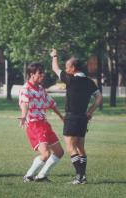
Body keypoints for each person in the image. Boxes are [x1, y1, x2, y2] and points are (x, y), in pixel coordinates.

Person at [50, 49, 103, 184]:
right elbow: (99, 97)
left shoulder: (70, 79)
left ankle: (79, 177)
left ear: (73, 68)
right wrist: (90, 111)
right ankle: (82, 177)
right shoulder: (90, 82)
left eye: (67, 67)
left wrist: (54, 55)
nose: (66, 69)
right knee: (80, 148)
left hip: (71, 118)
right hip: (83, 118)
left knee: (71, 148)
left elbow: (55, 68)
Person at [18, 62, 64, 182]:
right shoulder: (25, 89)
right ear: (31, 74)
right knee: (45, 154)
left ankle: (42, 176)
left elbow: (51, 103)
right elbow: (25, 103)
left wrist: (61, 116)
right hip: (34, 125)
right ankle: (28, 176)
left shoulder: (40, 89)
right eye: (39, 73)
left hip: (44, 124)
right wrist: (23, 116)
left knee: (59, 152)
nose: (42, 75)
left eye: (43, 73)